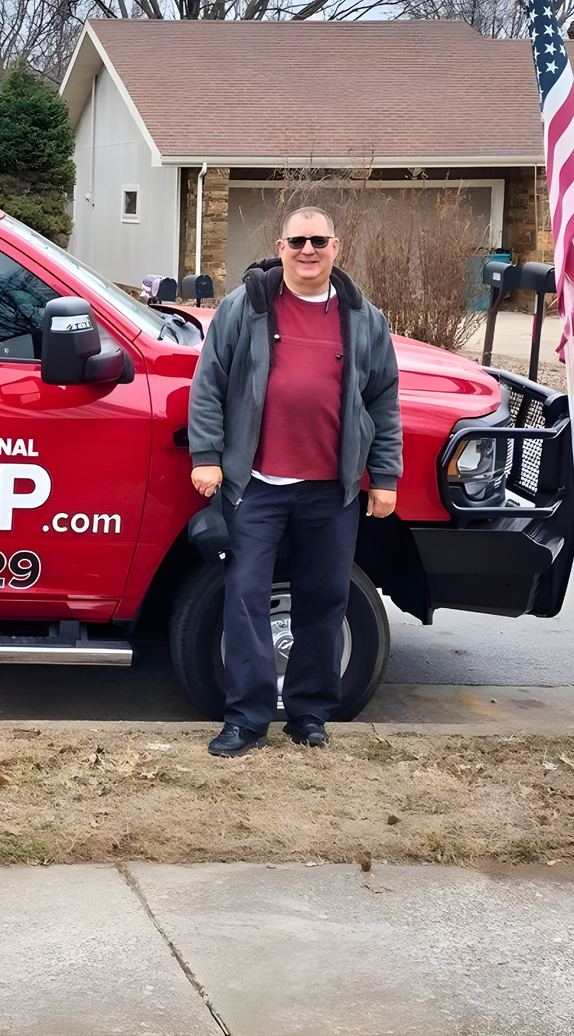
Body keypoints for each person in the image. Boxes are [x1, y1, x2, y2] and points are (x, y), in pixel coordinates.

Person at [186, 206, 401, 757]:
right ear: (280, 246)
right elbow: (209, 383)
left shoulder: (364, 318)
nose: (308, 251)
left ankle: (308, 713)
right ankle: (247, 719)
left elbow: (382, 400)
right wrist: (207, 455)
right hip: (254, 486)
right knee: (245, 599)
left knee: (325, 602)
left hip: (332, 490)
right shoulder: (246, 307)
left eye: (319, 241)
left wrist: (385, 476)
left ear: (337, 246)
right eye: (297, 241)